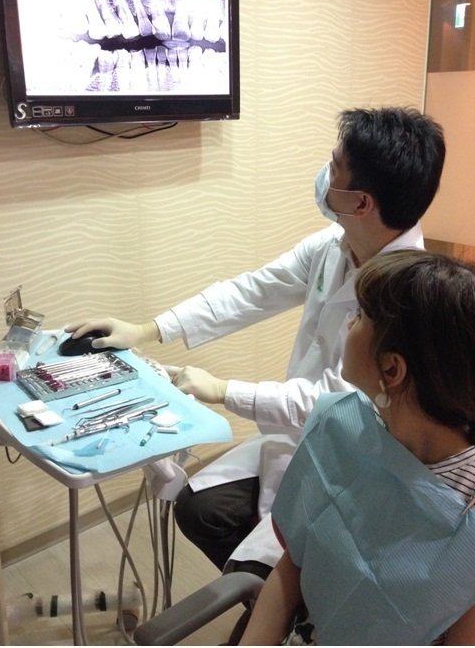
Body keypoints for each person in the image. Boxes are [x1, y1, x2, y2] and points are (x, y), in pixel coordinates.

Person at [66, 106, 446, 577]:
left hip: (355, 466)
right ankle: (271, 594)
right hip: (299, 438)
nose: (324, 175)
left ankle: (285, 601)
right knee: (198, 510)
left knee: (265, 570)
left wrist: (222, 390)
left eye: (334, 166)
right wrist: (148, 329)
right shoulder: (335, 243)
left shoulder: (409, 299)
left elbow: (335, 403)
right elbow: (251, 292)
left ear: (361, 202)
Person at [240, 250, 475, 646]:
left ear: (392, 369)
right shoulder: (343, 428)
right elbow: (292, 568)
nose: (348, 323)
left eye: (359, 315)